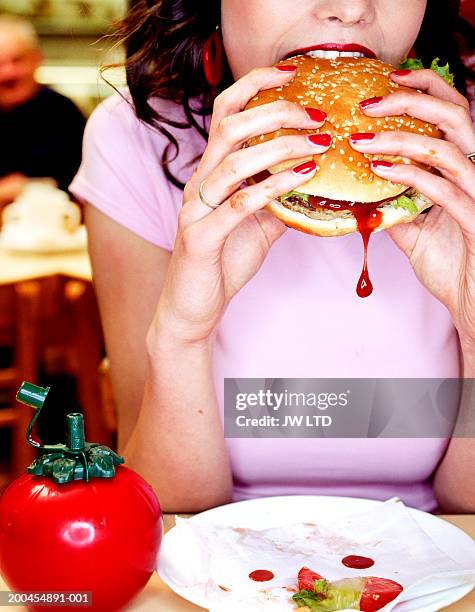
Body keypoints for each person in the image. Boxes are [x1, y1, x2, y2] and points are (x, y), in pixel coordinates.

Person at [70, 0, 475, 514]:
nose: (350, 9)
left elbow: (469, 516)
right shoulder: (140, 134)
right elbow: (166, 507)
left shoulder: (466, 144)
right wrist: (183, 335)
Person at [0, 15, 85, 208]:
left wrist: (26, 187)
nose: (8, 73)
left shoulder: (64, 114)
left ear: (37, 59)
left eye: (17, 60)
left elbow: (82, 185)